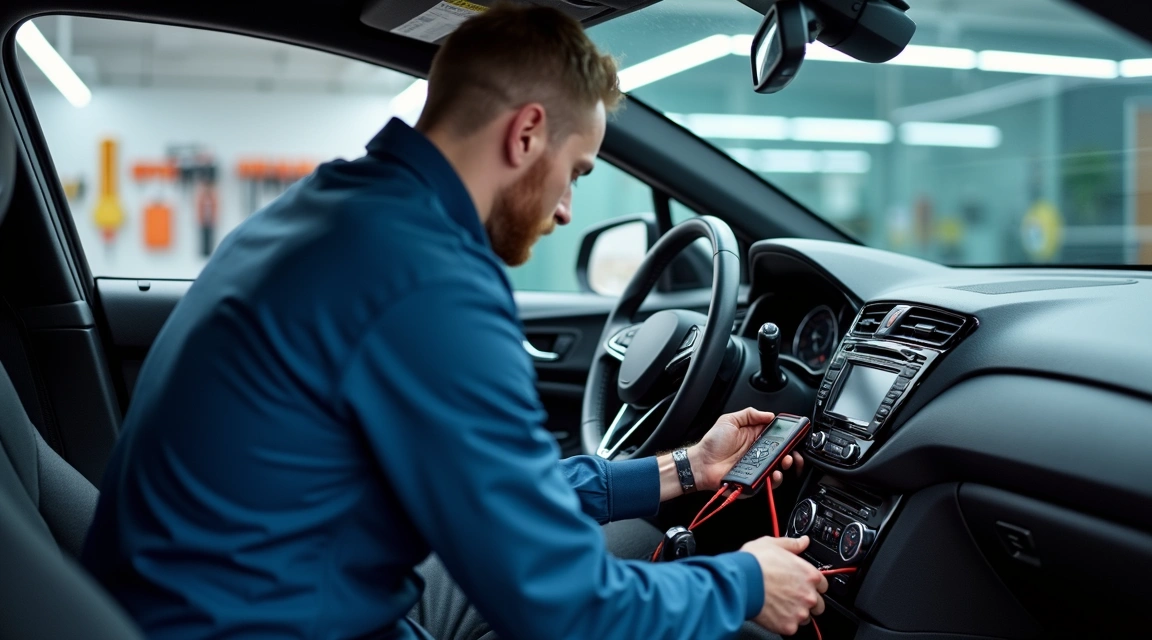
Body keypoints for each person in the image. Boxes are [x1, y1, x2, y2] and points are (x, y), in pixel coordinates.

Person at [81, 5, 828, 639]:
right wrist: (744, 583)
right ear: (528, 133)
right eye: (577, 172)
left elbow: (501, 489)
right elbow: (561, 605)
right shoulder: (428, 283)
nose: (567, 208)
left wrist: (684, 469)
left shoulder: (339, 212)